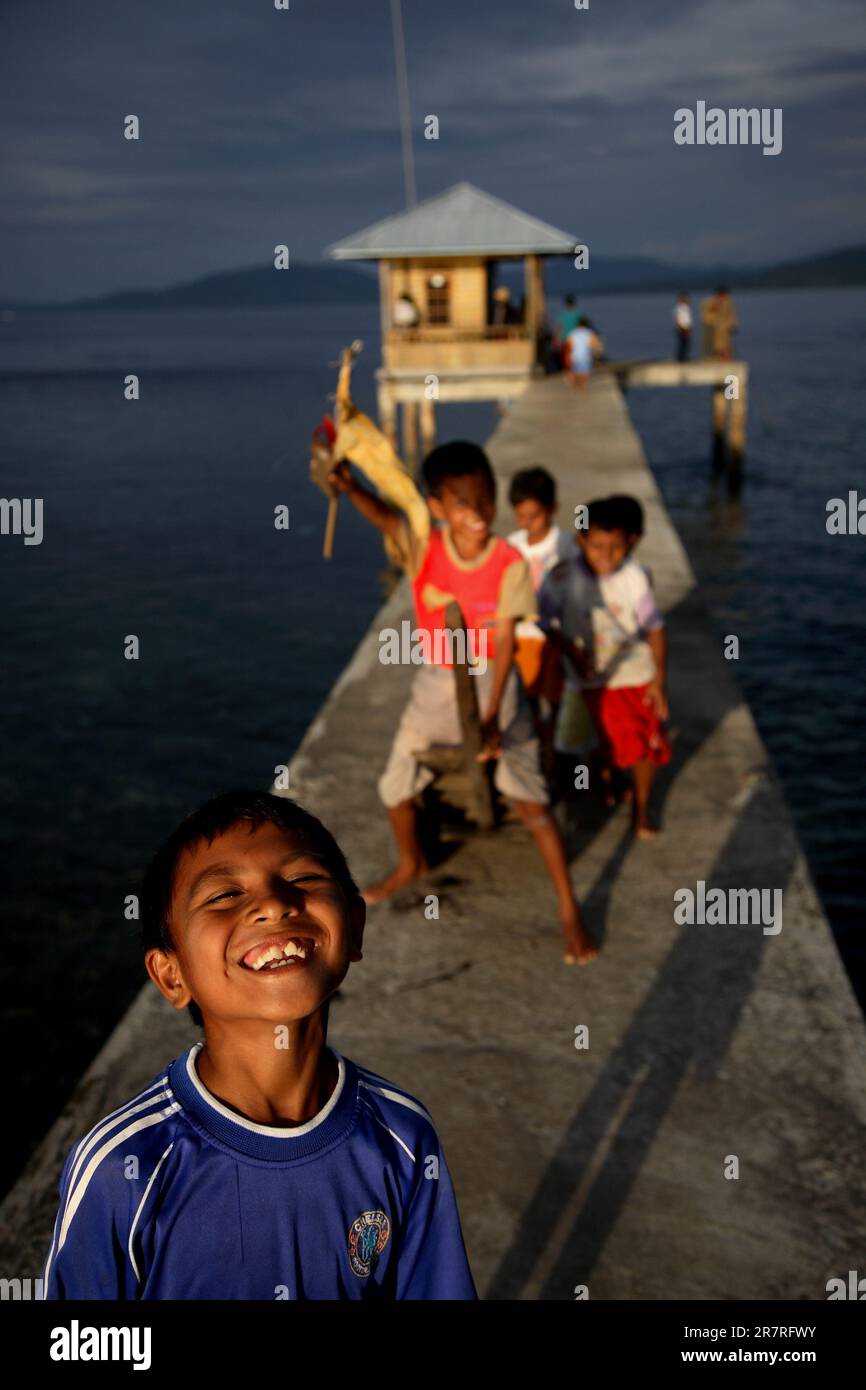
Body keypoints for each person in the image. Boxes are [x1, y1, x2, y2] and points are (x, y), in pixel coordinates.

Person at [41, 791, 478, 1300]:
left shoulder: (401, 1138)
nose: (274, 903)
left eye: (303, 879)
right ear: (171, 974)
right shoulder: (125, 1166)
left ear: (355, 927)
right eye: (224, 895)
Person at [328, 440, 597, 966]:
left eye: (484, 500)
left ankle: (568, 907)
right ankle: (411, 862)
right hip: (436, 683)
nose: (476, 514)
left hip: (495, 683)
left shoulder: (508, 561)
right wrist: (348, 484)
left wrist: (494, 714)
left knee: (531, 801)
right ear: (437, 508)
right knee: (394, 785)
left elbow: (502, 643)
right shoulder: (424, 547)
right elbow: (386, 519)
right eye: (461, 504)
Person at [539, 497, 670, 838]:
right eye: (597, 546)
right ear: (580, 541)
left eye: (615, 547)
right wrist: (567, 647)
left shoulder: (635, 577)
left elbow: (655, 628)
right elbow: (543, 619)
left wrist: (658, 680)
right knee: (584, 743)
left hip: (631, 673)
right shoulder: (562, 576)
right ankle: (604, 779)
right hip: (582, 678)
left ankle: (641, 806)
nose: (606, 556)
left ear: (630, 543)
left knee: (644, 743)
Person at [507, 467, 573, 761]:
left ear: (552, 509)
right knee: (528, 698)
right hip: (522, 638)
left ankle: (556, 751)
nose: (526, 523)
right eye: (520, 516)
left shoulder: (567, 546)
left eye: (533, 515)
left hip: (556, 638)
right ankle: (538, 751)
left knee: (558, 698)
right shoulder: (512, 545)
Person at [700, 285, 738, 359]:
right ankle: (715, 357)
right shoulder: (710, 301)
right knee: (715, 344)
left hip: (725, 327)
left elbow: (732, 315)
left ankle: (725, 357)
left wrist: (733, 325)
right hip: (714, 326)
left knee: (726, 344)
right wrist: (714, 306)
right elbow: (705, 313)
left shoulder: (729, 302)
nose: (724, 296)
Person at [566, 315, 601, 392]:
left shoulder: (573, 333)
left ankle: (576, 383)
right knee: (585, 374)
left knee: (576, 372)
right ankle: (581, 387)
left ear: (578, 324)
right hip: (585, 357)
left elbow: (569, 346)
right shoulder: (589, 333)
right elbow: (594, 345)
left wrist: (568, 357)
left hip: (574, 357)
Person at [673, 293, 692, 362]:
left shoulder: (686, 307)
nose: (687, 300)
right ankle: (680, 358)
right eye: (685, 298)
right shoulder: (679, 308)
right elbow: (677, 318)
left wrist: (688, 328)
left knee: (686, 343)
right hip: (682, 328)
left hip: (686, 327)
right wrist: (680, 328)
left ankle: (684, 357)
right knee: (682, 343)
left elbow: (687, 319)